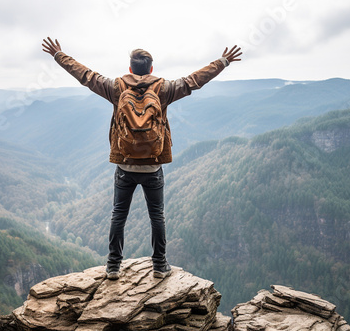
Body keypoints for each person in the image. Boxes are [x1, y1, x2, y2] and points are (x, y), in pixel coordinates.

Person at [42, 37, 242, 280]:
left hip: (125, 166)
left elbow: (86, 76)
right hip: (153, 166)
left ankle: (113, 267)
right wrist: (223, 62)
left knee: (119, 214)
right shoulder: (163, 88)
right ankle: (160, 266)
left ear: (130, 69)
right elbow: (194, 81)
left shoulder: (116, 88)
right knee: (156, 215)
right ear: (151, 69)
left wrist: (59, 55)